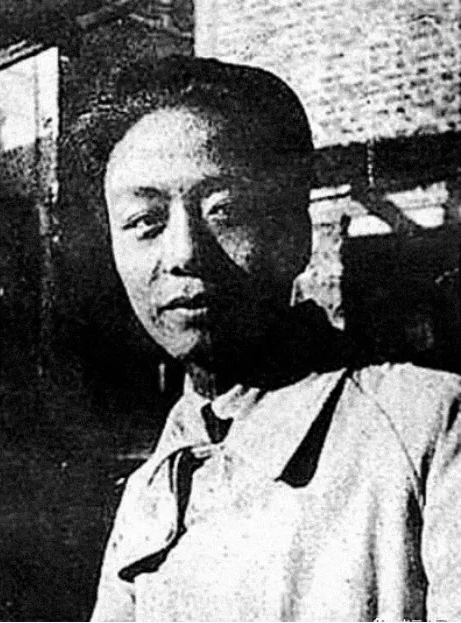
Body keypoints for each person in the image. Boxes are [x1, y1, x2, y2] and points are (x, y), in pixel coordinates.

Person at [70, 57, 461, 621]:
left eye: (224, 211)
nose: (183, 253)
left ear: (295, 231)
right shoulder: (148, 492)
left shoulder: (431, 429)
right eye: (145, 222)